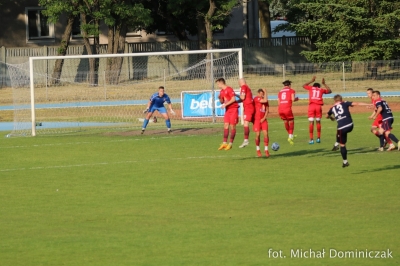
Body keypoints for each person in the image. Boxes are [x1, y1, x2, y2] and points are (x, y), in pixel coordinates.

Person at [327, 94, 368, 168]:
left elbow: (326, 116)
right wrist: (368, 104)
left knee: (342, 144)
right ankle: (336, 143)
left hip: (342, 128)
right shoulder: (345, 103)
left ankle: (345, 161)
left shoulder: (332, 108)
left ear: (334, 100)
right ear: (341, 99)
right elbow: (357, 103)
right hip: (350, 125)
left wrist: (331, 117)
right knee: (340, 131)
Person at [303, 76, 332, 144]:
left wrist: (311, 80)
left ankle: (311, 139)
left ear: (313, 86)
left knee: (311, 122)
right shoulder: (321, 89)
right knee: (318, 122)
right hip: (318, 107)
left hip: (311, 106)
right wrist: (324, 84)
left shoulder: (311, 88)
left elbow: (303, 85)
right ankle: (318, 138)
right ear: (319, 86)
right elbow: (330, 91)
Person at [216, 78, 239, 150]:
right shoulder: (221, 91)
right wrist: (220, 98)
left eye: (218, 83)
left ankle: (231, 143)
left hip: (233, 109)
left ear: (221, 83)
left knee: (232, 126)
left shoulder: (229, 89)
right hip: (227, 110)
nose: (217, 85)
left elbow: (233, 99)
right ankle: (224, 143)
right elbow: (222, 102)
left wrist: (225, 105)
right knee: (226, 125)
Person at [278, 80, 298, 145]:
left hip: (280, 109)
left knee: (285, 121)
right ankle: (290, 136)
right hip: (287, 108)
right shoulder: (291, 90)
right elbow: (292, 99)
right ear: (289, 85)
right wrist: (296, 99)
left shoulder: (280, 92)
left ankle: (290, 135)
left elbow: (278, 102)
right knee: (291, 121)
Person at [238, 78, 255, 148]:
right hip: (249, 107)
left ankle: (246, 140)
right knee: (254, 123)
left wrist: (235, 96)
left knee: (246, 123)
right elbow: (243, 99)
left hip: (248, 107)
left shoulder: (243, 87)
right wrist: (235, 101)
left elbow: (242, 97)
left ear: (240, 83)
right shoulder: (247, 87)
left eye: (239, 83)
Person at [253, 88, 270, 157]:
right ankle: (258, 149)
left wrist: (264, 118)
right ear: (258, 93)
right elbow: (265, 100)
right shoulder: (256, 98)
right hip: (257, 120)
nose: (261, 95)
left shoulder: (265, 101)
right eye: (261, 94)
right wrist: (266, 92)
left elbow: (267, 110)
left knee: (266, 134)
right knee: (257, 135)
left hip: (263, 120)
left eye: (263, 94)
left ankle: (266, 150)